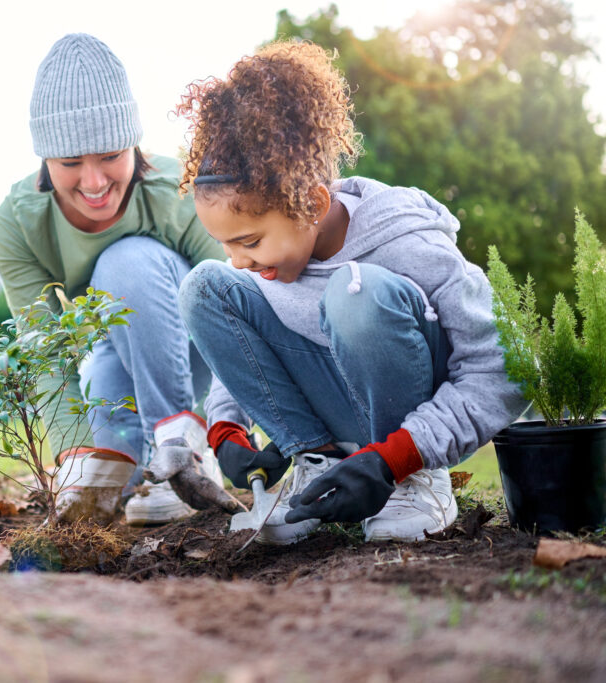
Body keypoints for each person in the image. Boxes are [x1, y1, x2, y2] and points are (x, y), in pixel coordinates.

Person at [174, 40, 528, 543]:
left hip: (408, 438)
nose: (239, 260)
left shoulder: (407, 241)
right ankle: (317, 466)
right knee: (203, 287)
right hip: (333, 423)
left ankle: (413, 484)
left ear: (314, 204)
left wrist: (396, 458)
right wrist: (226, 428)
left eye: (249, 241)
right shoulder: (268, 261)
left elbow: (505, 368)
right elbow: (249, 344)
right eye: (226, 243)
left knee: (355, 292)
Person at [0, 33, 235, 525]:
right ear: (44, 159)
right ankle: (147, 465)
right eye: (69, 163)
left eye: (108, 155)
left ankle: (180, 443)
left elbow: (233, 314)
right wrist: (73, 455)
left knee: (126, 263)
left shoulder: (180, 192)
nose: (94, 182)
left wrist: (224, 427)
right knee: (103, 475)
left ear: (134, 143)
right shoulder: (18, 223)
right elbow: (45, 352)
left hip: (192, 348)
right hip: (114, 352)